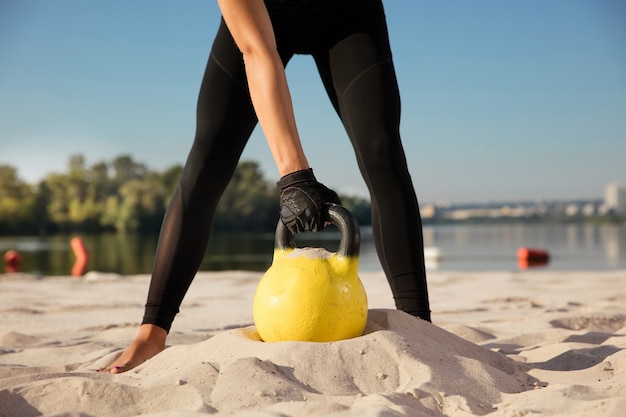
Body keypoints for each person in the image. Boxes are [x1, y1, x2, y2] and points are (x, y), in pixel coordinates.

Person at [100, 0, 431, 374]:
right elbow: (258, 52)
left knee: (382, 151)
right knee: (209, 156)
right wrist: (294, 176)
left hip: (350, 15)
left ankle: (420, 328)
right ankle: (151, 335)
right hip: (265, 15)